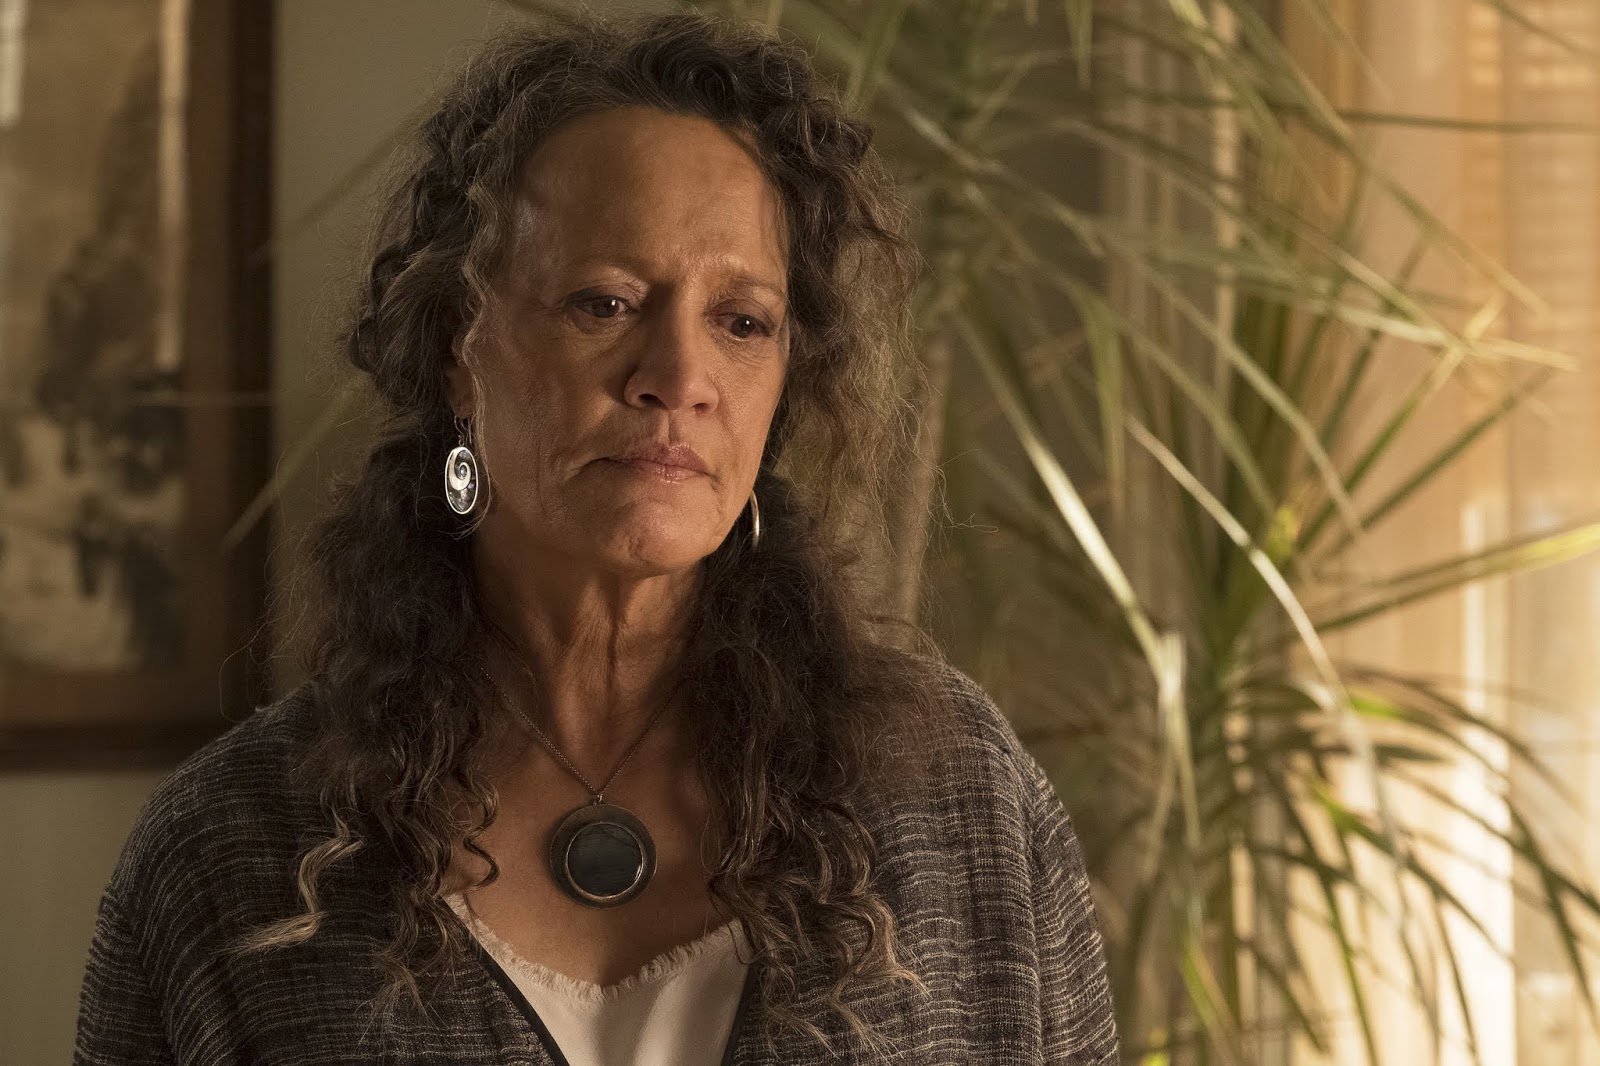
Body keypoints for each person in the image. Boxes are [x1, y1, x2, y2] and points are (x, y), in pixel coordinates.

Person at [73, 10, 1119, 1065]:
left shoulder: (961, 803)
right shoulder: (229, 852)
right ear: (457, 348)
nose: (678, 377)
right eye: (604, 303)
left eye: (742, 321)